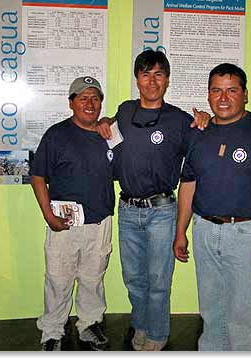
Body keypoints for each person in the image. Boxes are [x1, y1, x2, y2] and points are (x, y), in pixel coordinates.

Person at [173, 63, 251, 351]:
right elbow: (188, 184)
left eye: (232, 90)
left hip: (244, 234)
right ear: (208, 96)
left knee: (241, 315)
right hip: (204, 230)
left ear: (245, 94)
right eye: (216, 91)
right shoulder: (198, 133)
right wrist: (181, 231)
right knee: (211, 312)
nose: (223, 98)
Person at [96, 50, 210, 351]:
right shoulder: (124, 111)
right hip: (128, 210)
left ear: (167, 80)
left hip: (162, 211)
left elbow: (204, 144)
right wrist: (104, 120)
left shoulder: (178, 120)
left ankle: (157, 334)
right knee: (133, 279)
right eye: (145, 74)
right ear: (137, 79)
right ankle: (142, 325)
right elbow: (109, 128)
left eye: (158, 74)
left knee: (159, 281)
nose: (152, 80)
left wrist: (206, 119)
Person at [30, 76, 115, 351]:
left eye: (95, 98)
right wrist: (47, 215)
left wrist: (110, 121)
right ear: (71, 103)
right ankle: (52, 330)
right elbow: (38, 176)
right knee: (58, 278)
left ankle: (89, 324)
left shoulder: (109, 135)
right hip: (64, 223)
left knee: (93, 278)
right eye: (83, 98)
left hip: (99, 220)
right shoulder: (56, 135)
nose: (89, 104)